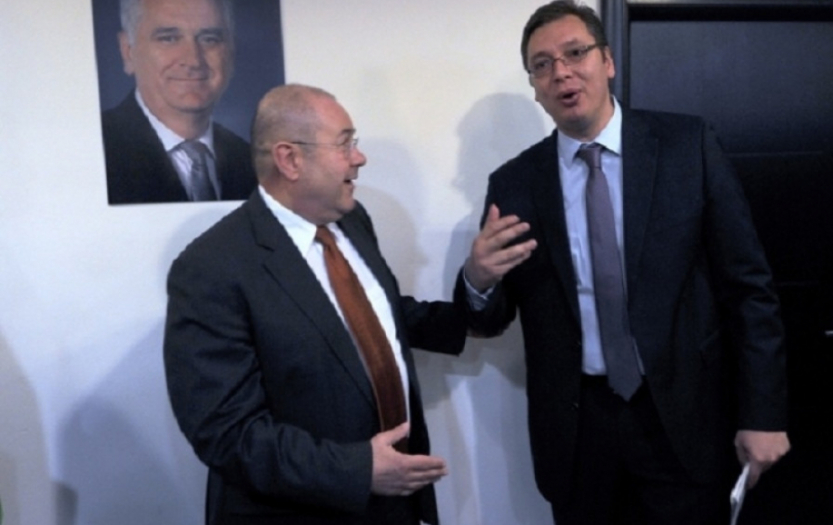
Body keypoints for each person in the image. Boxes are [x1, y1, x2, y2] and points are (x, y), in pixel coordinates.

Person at [457, 1, 790, 524]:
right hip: (578, 431)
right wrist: (477, 279)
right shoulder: (515, 184)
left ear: (607, 61)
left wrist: (763, 413)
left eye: (575, 53)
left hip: (682, 419)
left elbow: (749, 289)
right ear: (535, 87)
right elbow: (490, 318)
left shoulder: (687, 147)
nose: (561, 72)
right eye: (542, 65)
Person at [164, 84, 467, 525]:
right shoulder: (211, 268)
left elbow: (379, 318)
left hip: (394, 506)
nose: (359, 158)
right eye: (344, 144)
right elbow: (227, 434)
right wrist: (358, 471)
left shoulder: (353, 221)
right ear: (290, 159)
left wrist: (476, 284)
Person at [101, 0, 256, 205]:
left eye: (209, 39)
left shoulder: (253, 163)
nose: (193, 61)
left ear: (230, 51)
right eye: (169, 39)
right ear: (127, 51)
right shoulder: (97, 150)